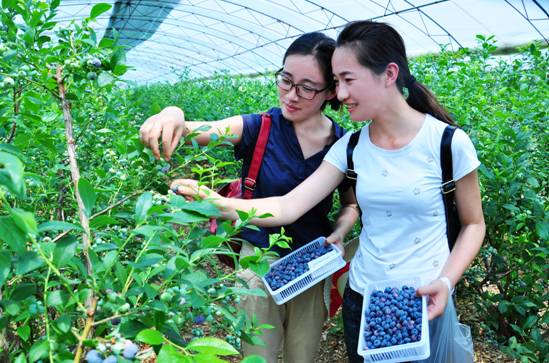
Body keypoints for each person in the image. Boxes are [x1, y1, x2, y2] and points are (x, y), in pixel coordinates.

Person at [171, 20, 485, 363]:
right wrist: (215, 201)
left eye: (347, 80)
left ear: (389, 74)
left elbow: (473, 224)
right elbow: (288, 206)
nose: (342, 94)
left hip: (425, 299)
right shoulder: (350, 148)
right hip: (361, 298)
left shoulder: (446, 143)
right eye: (337, 82)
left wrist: (446, 280)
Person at [140, 32, 359, 363]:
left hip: (312, 265)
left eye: (307, 87)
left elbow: (351, 203)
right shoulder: (259, 128)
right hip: (259, 261)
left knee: (303, 355)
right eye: (285, 80)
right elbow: (199, 130)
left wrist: (340, 232)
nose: (291, 94)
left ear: (330, 91)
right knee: (259, 354)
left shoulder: (343, 145)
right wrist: (172, 113)